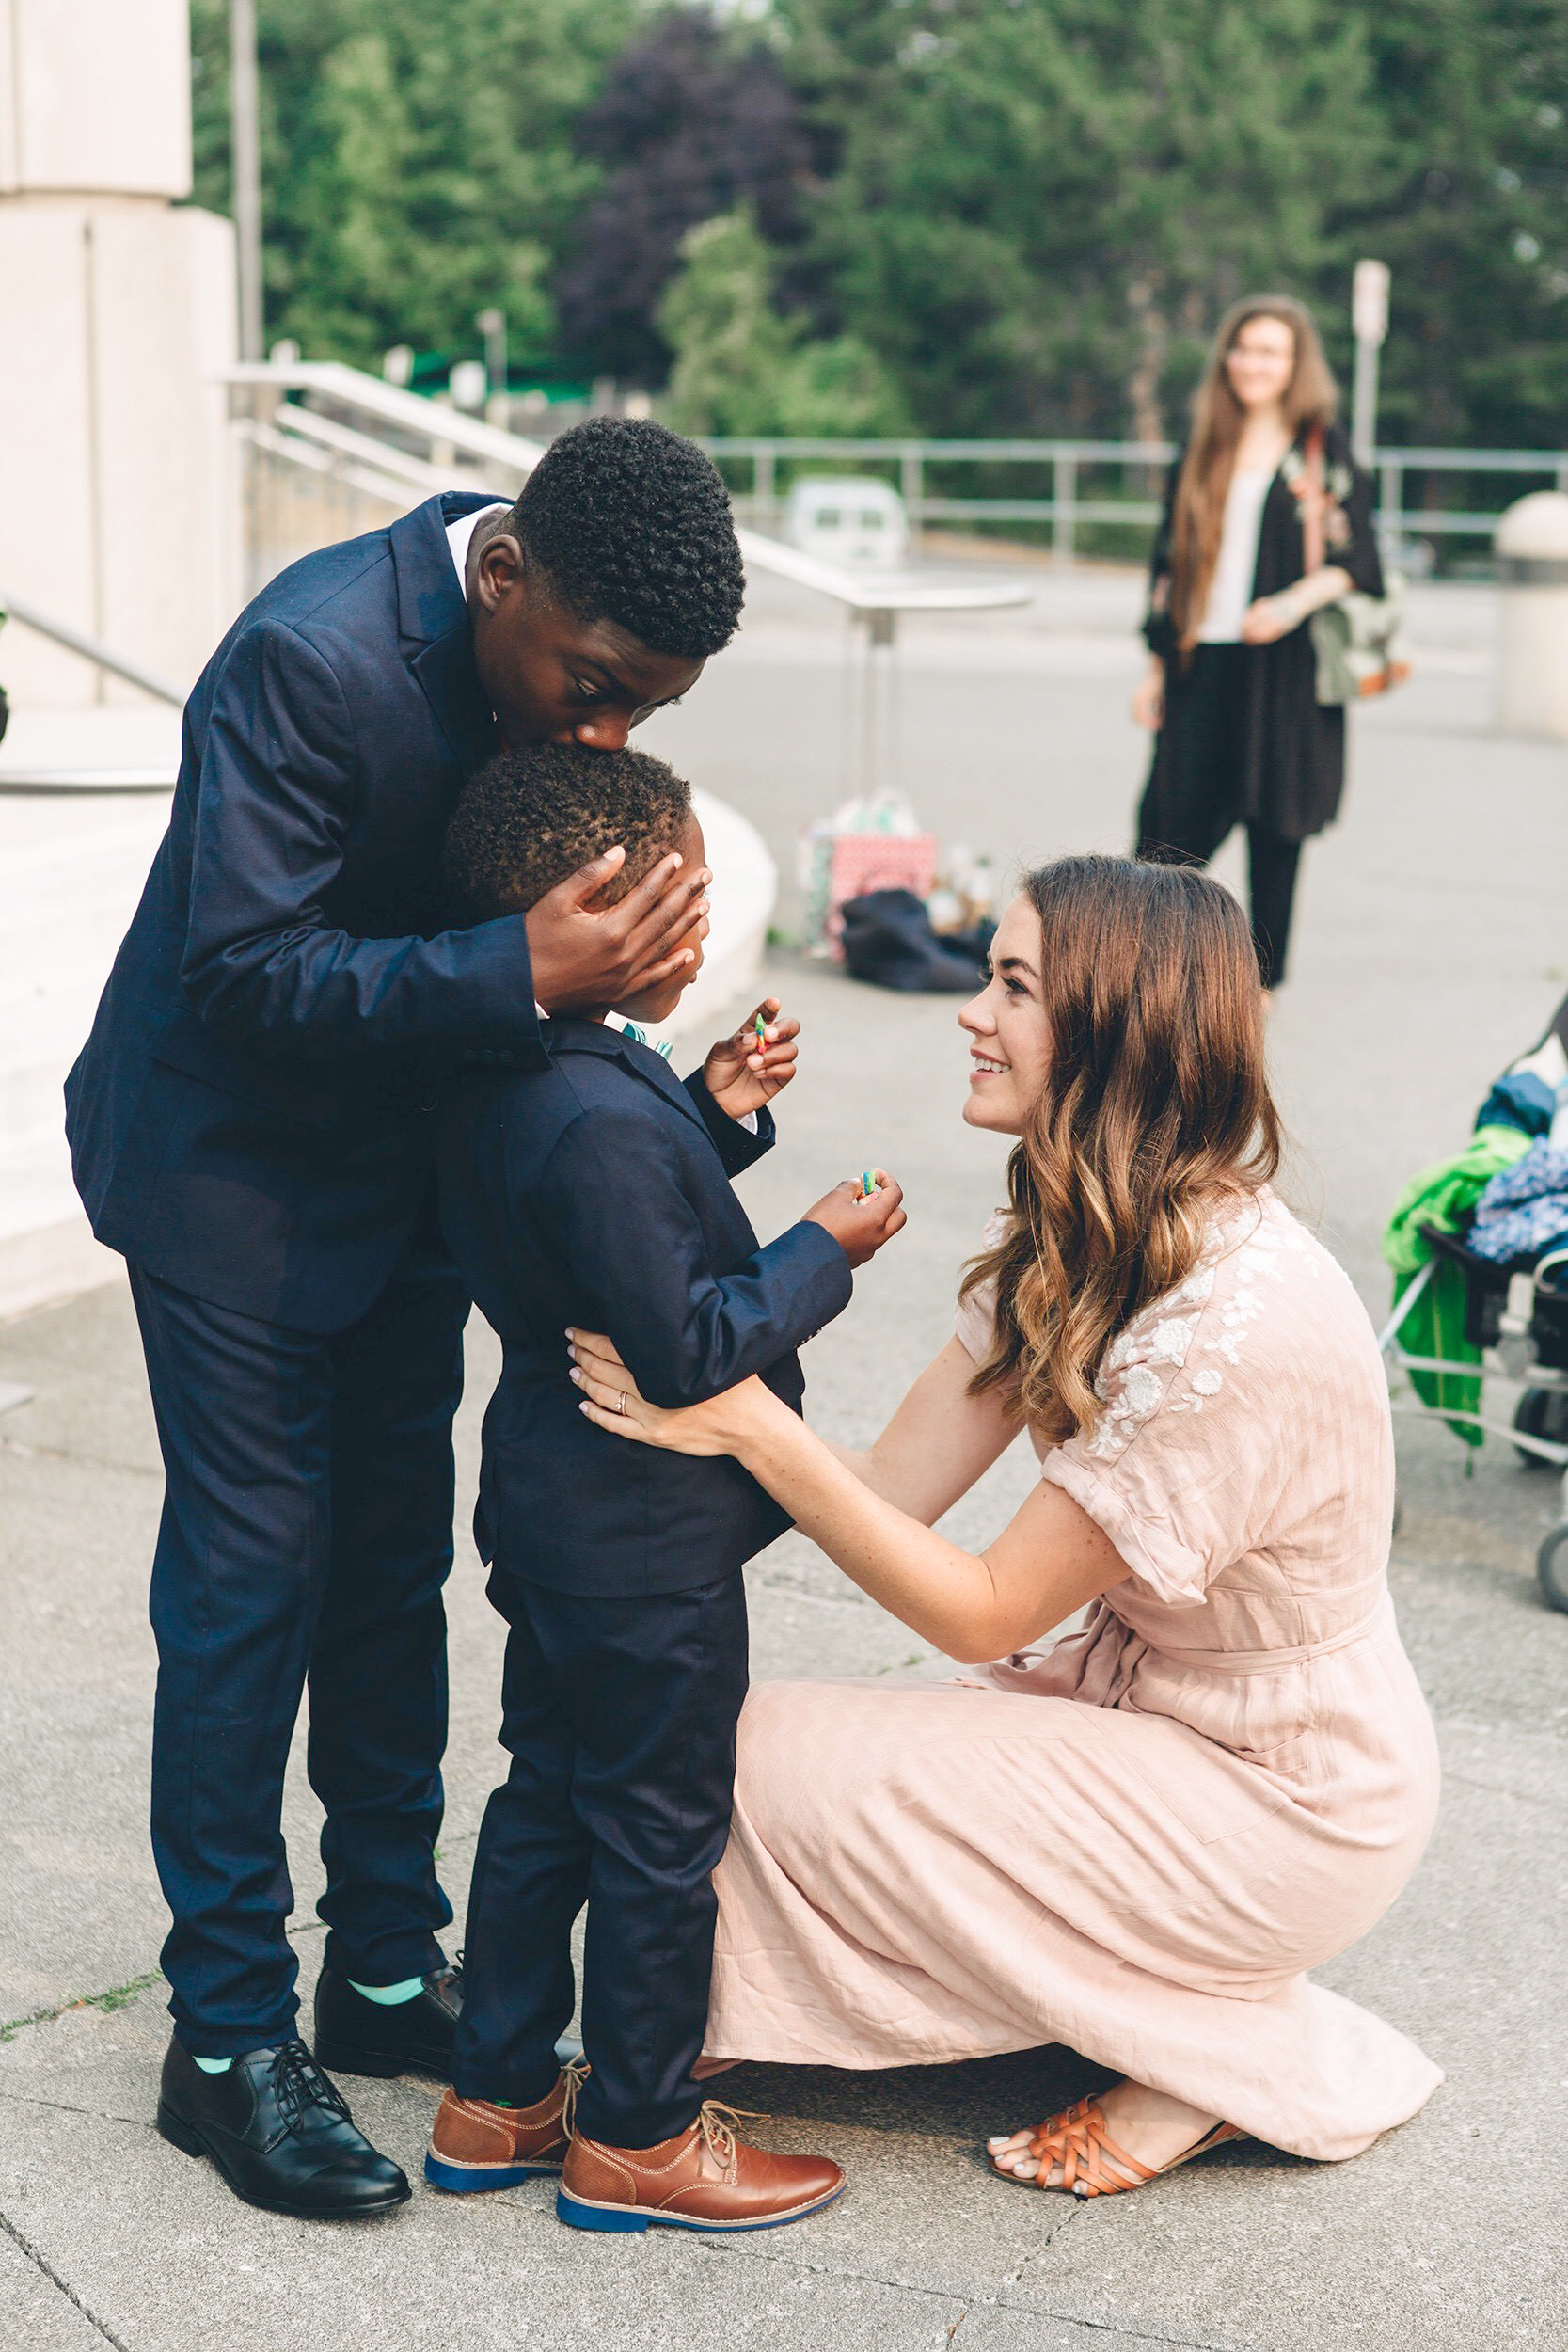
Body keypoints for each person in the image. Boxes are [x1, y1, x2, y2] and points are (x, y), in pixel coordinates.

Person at [64, 419, 757, 2219]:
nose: (603, 736)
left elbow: (522, 920)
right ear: (503, 577)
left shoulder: (555, 668)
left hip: (402, 1177)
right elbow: (237, 965)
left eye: (643, 715)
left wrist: (625, 1007)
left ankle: (380, 1970)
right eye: (593, 690)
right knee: (251, 1580)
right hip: (225, 1172)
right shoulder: (307, 655)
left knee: (389, 1569)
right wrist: (515, 969)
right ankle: (221, 2039)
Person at [569, 854, 1443, 2199]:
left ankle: (1216, 2058)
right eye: (986, 973)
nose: (970, 1012)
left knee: (738, 1762)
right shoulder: (1081, 1219)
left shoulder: (1236, 1322)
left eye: (1014, 985)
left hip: (1286, 1801)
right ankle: (735, 2031)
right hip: (1153, 1726)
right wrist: (677, 1394)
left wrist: (742, 1420)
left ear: (1114, 1026)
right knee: (700, 1737)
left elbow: (978, 1607)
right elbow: (889, 1486)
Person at [425, 740, 904, 2231]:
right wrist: (822, 1244)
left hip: (551, 1511)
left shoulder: (521, 1062)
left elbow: (592, 1222)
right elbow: (689, 1341)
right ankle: (636, 2128)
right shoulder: (598, 1117)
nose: (699, 935)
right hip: (643, 1536)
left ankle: (495, 2099)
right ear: (592, 910)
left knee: (548, 1794)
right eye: (679, 904)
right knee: (656, 1830)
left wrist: (707, 1102)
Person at [1132, 295, 1384, 990]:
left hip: (1284, 669)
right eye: (1241, 348)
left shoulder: (1320, 452)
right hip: (1198, 659)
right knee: (1163, 830)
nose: (1251, 363)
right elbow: (1165, 565)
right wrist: (1154, 670)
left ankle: (1261, 988)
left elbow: (1360, 561)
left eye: (1269, 351)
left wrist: (1290, 602)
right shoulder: (1203, 446)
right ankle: (1135, 971)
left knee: (1276, 829)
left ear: (1296, 365)